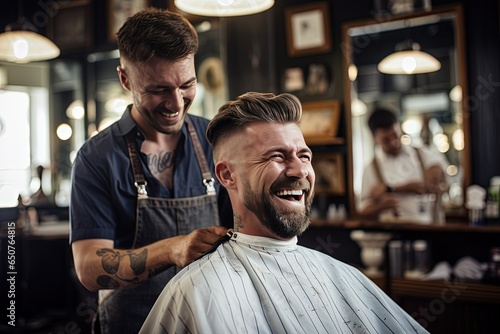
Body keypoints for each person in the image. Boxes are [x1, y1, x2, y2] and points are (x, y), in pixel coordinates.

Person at [140, 92, 429, 334]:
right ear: (228, 175)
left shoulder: (343, 275)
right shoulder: (197, 291)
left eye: (304, 156)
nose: (300, 170)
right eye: (277, 156)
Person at [69, 8, 232, 334]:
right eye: (158, 89)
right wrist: (172, 249)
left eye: (187, 84)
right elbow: (88, 267)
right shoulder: (96, 158)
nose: (176, 103)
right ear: (125, 79)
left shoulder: (217, 139)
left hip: (211, 322)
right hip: (131, 325)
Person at [358, 107, 449, 223]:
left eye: (395, 135)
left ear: (399, 128)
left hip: (429, 229)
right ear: (374, 139)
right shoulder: (371, 169)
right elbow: (363, 209)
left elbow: (444, 177)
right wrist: (380, 206)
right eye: (386, 140)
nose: (393, 143)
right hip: (395, 233)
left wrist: (437, 171)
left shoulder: (422, 154)